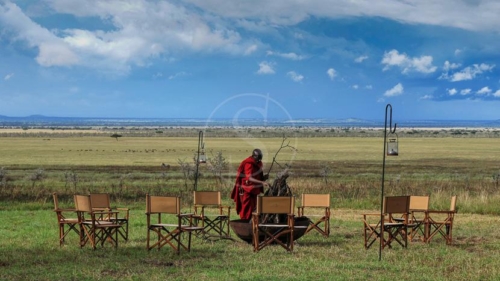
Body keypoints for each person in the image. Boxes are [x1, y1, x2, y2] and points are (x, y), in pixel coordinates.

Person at [231, 148, 270, 221]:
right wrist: (262, 182)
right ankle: (245, 221)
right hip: (247, 188)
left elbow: (257, 177)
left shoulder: (258, 163)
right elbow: (249, 178)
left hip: (254, 189)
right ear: (254, 156)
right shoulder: (248, 163)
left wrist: (264, 178)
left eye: (259, 159)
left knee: (254, 207)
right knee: (246, 207)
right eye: (257, 159)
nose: (258, 161)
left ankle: (251, 222)